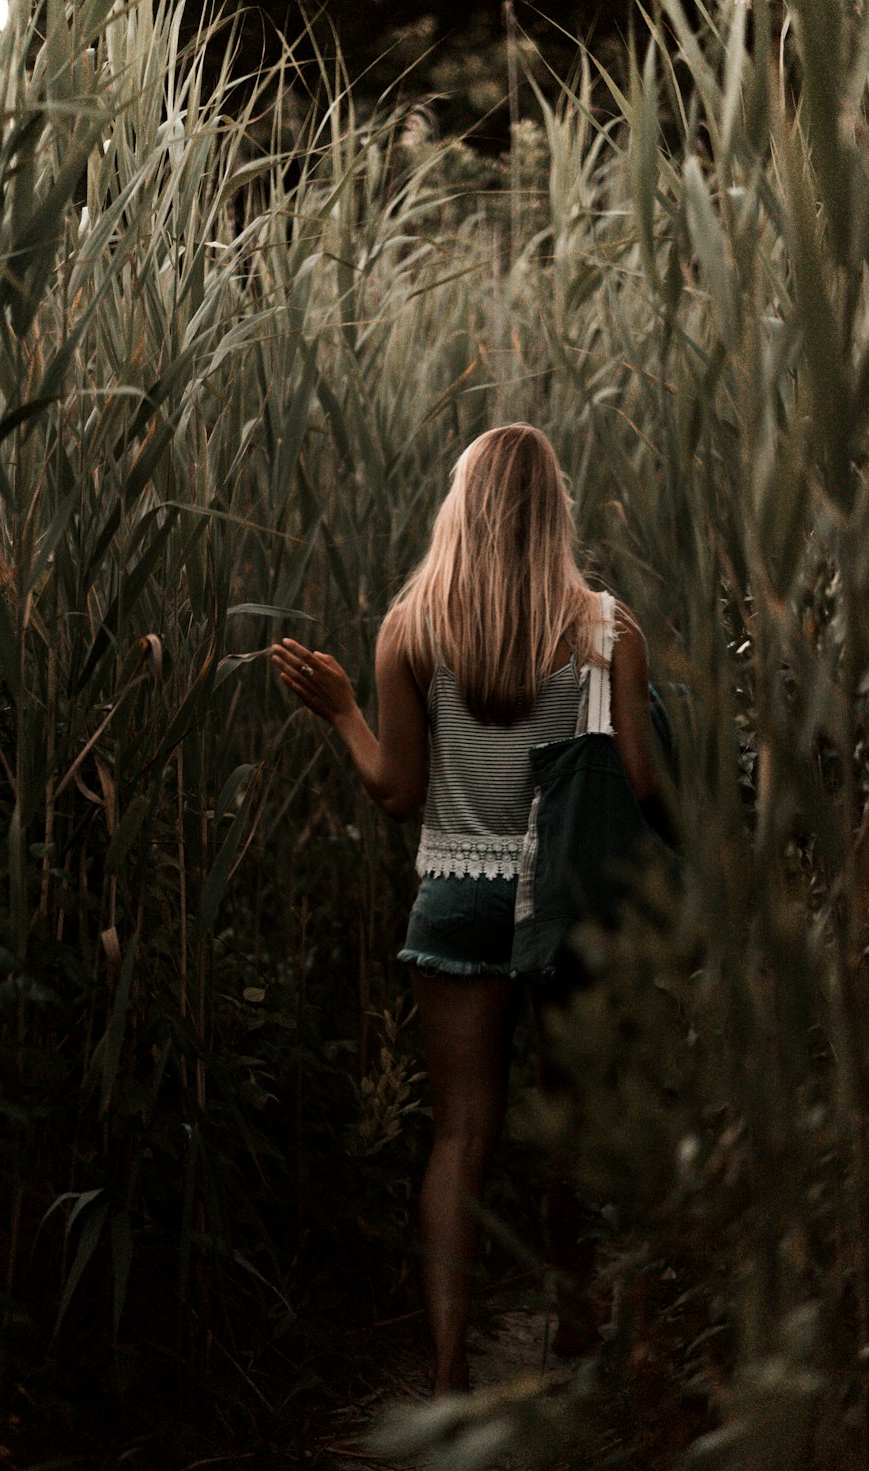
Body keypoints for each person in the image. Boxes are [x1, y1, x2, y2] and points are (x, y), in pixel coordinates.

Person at [271, 423, 660, 1396]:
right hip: (563, 904)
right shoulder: (606, 627)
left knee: (461, 1133)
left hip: (454, 896)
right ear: (553, 513)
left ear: (462, 507)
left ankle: (447, 1370)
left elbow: (396, 792)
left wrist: (344, 711)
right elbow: (644, 786)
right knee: (569, 1118)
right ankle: (576, 1310)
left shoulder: (412, 627)